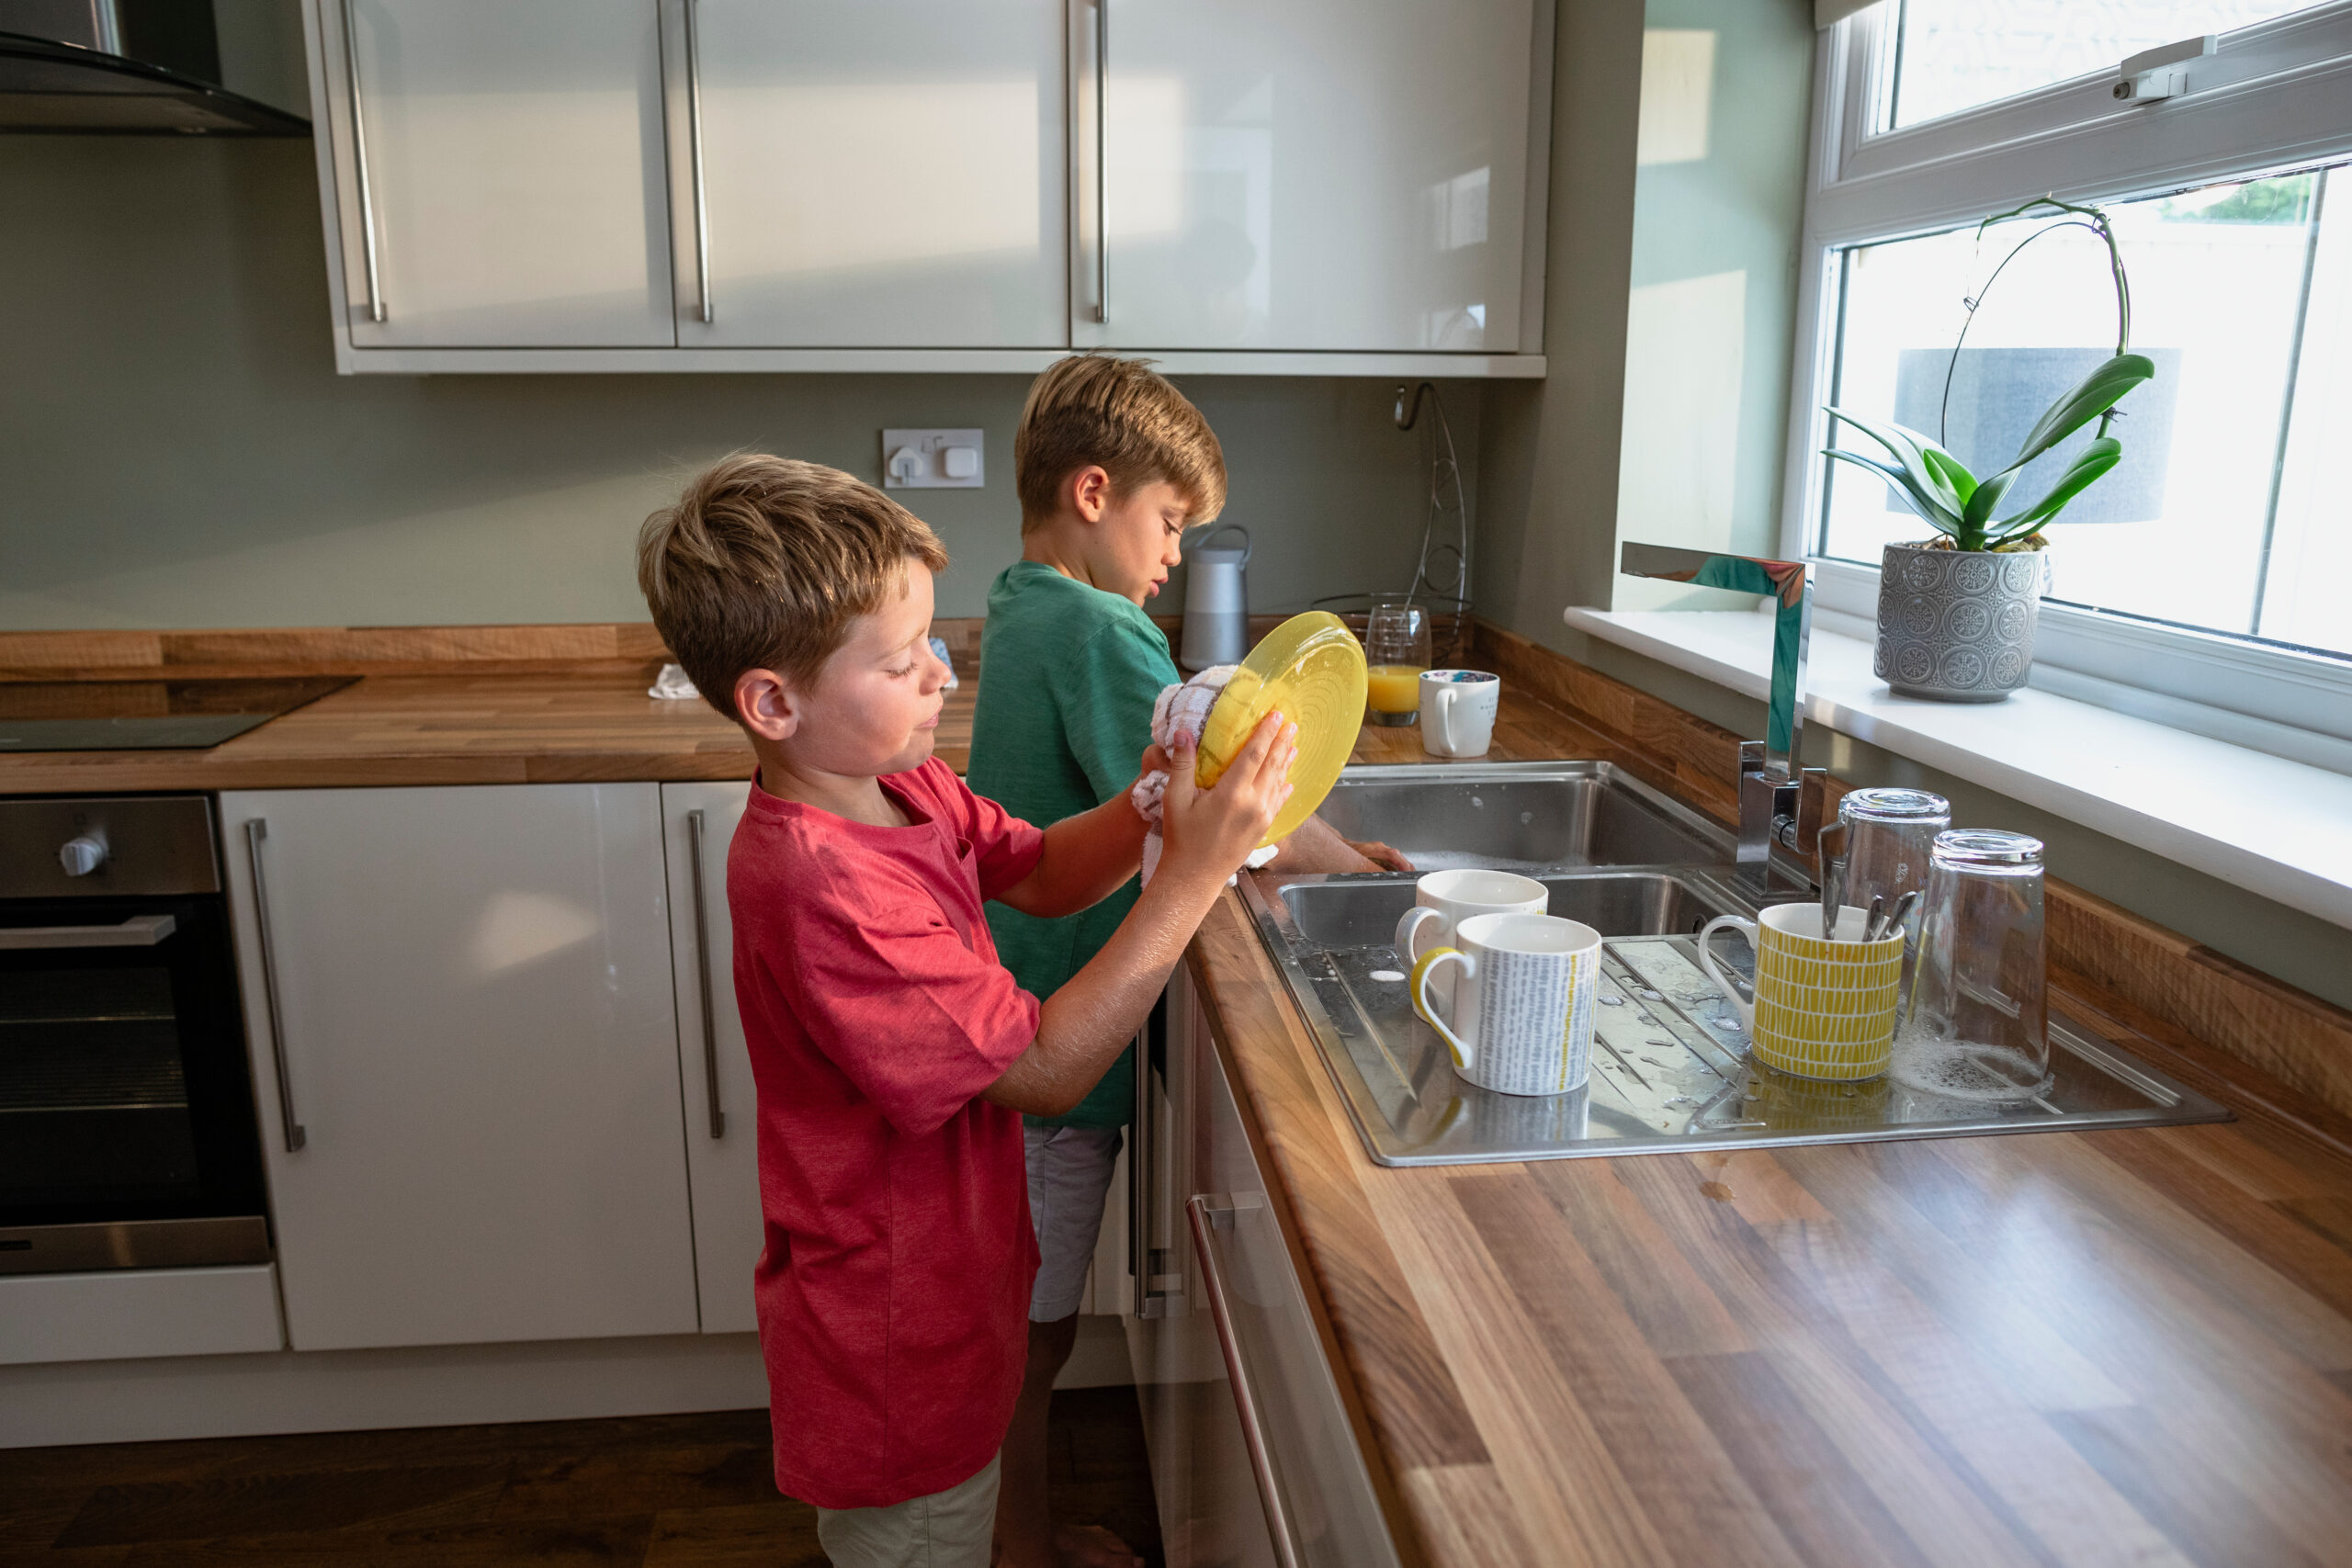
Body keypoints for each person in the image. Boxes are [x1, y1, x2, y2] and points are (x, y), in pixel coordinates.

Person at [636, 454, 1297, 1568]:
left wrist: (1147, 806)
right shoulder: (822, 885)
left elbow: (1036, 867)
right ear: (773, 702)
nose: (943, 674)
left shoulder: (900, 780)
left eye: (932, 641)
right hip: (895, 1341)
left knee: (964, 1517)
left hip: (953, 1287)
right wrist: (1187, 876)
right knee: (924, 1534)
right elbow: (1041, 1069)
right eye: (901, 661)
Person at [967, 355, 1409, 1568]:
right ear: (1097, 490)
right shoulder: (1100, 627)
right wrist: (1341, 867)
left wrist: (1325, 844)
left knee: (1019, 1321)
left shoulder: (1023, 600)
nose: (1174, 556)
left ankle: (1016, 1533)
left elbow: (1193, 777)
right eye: (1171, 522)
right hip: (1063, 1027)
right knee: (1033, 1334)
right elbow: (1219, 796)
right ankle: (1023, 1548)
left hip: (1024, 1005)